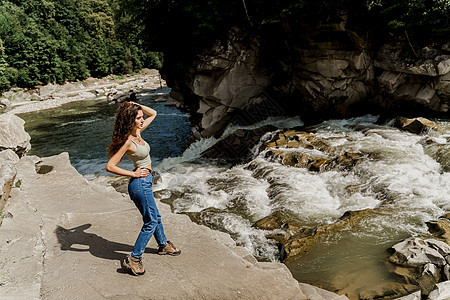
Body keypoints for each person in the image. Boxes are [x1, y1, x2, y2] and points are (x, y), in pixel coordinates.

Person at [106, 101, 180, 276]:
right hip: (139, 184)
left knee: (155, 216)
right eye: (138, 118)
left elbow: (153, 113)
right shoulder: (128, 142)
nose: (141, 120)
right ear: (130, 121)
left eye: (141, 118)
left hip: (146, 181)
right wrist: (133, 174)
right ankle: (134, 258)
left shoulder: (138, 131)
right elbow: (110, 166)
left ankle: (163, 245)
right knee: (151, 221)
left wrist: (135, 104)